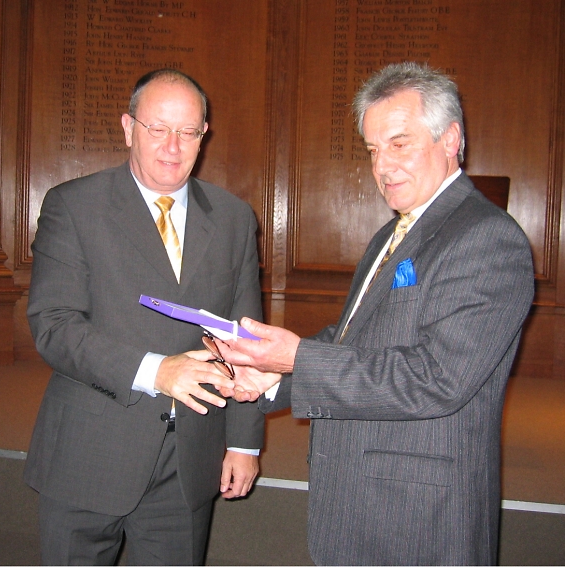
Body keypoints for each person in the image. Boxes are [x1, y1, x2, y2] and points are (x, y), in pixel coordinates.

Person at [217, 62, 535, 565]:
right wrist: (273, 377)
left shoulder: (486, 237)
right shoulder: (392, 234)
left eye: (399, 143)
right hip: (361, 499)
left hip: (419, 517)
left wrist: (298, 358)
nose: (383, 166)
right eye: (372, 149)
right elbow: (354, 341)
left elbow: (437, 378)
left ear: (451, 140)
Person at [24, 68, 264, 565]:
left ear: (204, 135)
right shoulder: (74, 206)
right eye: (158, 128)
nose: (173, 146)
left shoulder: (234, 218)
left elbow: (246, 340)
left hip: (190, 458)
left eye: (188, 132)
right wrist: (156, 371)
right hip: (89, 451)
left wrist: (244, 443)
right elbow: (54, 325)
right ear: (128, 128)